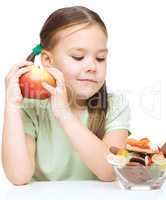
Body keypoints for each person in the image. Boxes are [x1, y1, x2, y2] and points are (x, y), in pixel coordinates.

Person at [2, 6, 130, 185]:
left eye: (100, 58)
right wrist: (12, 105)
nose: (92, 66)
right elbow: (19, 176)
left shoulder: (115, 105)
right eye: (78, 57)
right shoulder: (32, 108)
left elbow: (110, 172)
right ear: (47, 61)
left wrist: (64, 113)